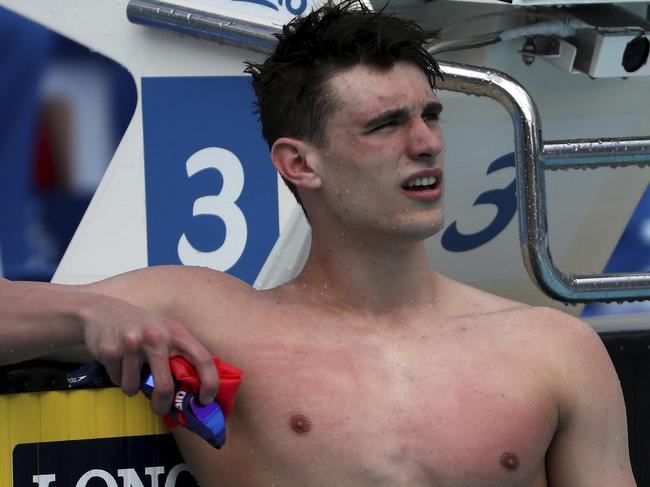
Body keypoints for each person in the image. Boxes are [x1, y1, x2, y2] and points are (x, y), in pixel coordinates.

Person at [0, 1, 637, 485]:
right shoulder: (212, 315)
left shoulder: (556, 349)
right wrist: (90, 313)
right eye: (386, 125)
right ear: (300, 164)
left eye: (430, 115)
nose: (426, 143)